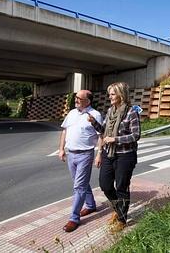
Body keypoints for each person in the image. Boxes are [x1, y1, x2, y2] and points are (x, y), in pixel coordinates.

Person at [88, 82, 140, 233]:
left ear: (121, 95)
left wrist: (115, 139)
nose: (109, 96)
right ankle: (118, 210)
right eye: (109, 93)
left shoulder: (131, 112)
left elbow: (136, 135)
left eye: (112, 94)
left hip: (125, 155)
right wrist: (94, 123)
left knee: (122, 187)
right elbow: (104, 131)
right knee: (105, 185)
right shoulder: (110, 111)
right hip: (109, 153)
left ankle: (122, 219)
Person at [58, 90, 102, 233]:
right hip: (71, 154)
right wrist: (61, 149)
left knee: (79, 186)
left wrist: (99, 154)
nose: (76, 100)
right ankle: (90, 205)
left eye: (79, 98)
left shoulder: (95, 115)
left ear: (88, 101)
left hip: (85, 154)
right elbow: (64, 131)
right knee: (80, 183)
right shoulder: (71, 113)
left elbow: (101, 135)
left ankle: (74, 218)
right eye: (76, 98)